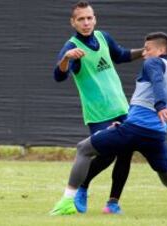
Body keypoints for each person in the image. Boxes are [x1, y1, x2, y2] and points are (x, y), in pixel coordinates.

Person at [50, 31, 167, 216]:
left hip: (134, 130)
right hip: (156, 136)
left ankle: (68, 201)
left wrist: (160, 105)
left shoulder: (153, 62)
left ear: (160, 50)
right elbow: (152, 92)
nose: (144, 53)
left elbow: (156, 81)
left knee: (83, 148)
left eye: (147, 49)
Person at [53, 0, 143, 214]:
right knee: (107, 153)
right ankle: (82, 187)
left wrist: (145, 51)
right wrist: (66, 59)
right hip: (98, 114)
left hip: (121, 107)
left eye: (89, 17)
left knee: (125, 153)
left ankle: (113, 203)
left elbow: (120, 55)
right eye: (81, 19)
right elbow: (59, 75)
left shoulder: (103, 37)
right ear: (73, 23)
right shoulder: (71, 47)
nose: (86, 22)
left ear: (95, 18)